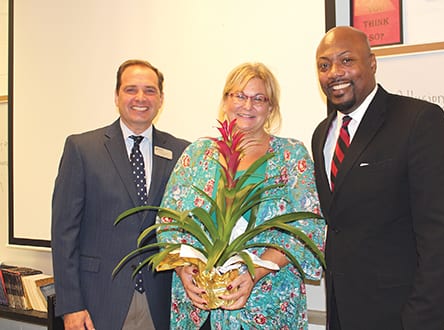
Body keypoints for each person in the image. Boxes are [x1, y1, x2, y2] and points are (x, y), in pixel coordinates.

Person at [311, 26, 444, 330]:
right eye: (324, 65)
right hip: (347, 315)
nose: (334, 72)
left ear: (372, 63)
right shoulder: (322, 134)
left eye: (347, 61)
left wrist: (420, 319)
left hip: (408, 316)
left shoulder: (419, 121)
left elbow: (443, 234)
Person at [157, 62, 325, 329]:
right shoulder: (198, 154)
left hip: (267, 309)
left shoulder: (291, 156)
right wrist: (182, 269)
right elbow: (169, 223)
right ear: (225, 100)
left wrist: (255, 273)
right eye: (239, 96)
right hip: (199, 309)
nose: (248, 106)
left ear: (271, 108)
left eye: (259, 98)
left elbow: (308, 229)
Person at [51, 59, 189, 330]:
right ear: (117, 96)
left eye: (150, 91)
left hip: (161, 301)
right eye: (131, 89)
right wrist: (71, 306)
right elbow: (64, 234)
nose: (140, 98)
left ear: (161, 99)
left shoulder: (182, 152)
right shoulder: (82, 148)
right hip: (97, 300)